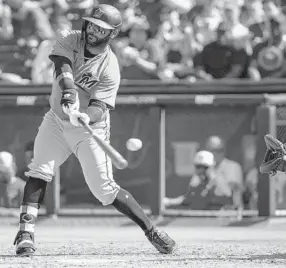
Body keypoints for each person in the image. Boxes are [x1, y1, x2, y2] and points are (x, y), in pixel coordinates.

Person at [13, 4, 176, 257]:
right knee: (40, 169)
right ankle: (26, 232)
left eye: (101, 29)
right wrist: (68, 93)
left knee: (104, 189)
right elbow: (62, 66)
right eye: (91, 24)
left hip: (90, 128)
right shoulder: (69, 38)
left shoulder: (110, 66)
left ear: (111, 34)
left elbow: (100, 106)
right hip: (56, 119)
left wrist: (84, 116)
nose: (93, 31)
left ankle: (151, 230)